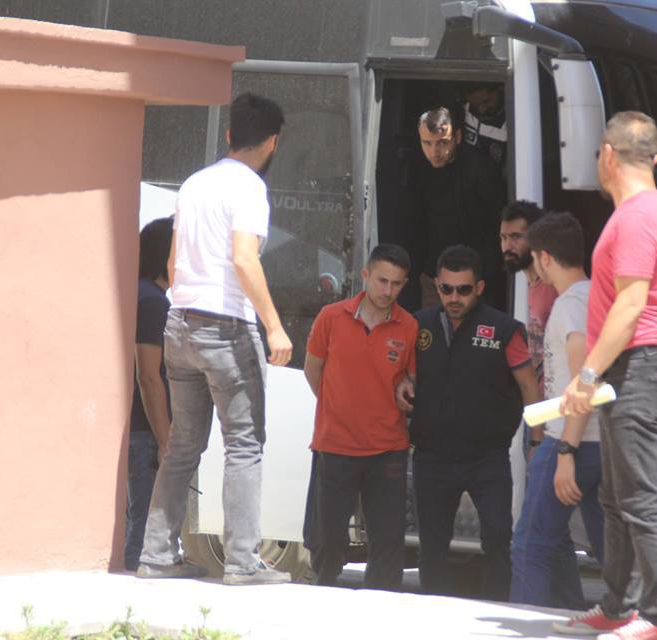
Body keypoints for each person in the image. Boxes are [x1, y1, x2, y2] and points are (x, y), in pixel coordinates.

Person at [137, 93, 293, 586]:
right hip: (227, 327)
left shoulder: (194, 183)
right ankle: (243, 562)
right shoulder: (250, 187)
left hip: (180, 321)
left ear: (229, 135)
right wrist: (274, 325)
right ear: (272, 142)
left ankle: (156, 555)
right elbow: (244, 259)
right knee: (244, 445)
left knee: (183, 445)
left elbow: (172, 261)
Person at [556, 111, 657, 640]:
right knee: (617, 498)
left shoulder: (636, 218)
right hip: (637, 367)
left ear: (608, 155)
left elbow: (631, 304)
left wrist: (586, 374)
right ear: (652, 158)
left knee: (641, 499)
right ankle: (618, 607)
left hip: (639, 366)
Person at [397, 245, 541, 601]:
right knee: (431, 546)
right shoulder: (418, 324)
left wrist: (538, 442)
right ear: (437, 286)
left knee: (498, 539)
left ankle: (499, 609)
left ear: (479, 288)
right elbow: (399, 370)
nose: (454, 298)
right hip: (432, 455)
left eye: (463, 289)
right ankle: (437, 616)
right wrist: (403, 382)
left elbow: (530, 388)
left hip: (487, 457)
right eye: (446, 289)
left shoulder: (504, 330)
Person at [303, 244, 417, 590]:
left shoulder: (409, 326)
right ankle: (323, 596)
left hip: (388, 449)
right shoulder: (331, 317)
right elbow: (312, 371)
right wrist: (338, 406)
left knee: (387, 544)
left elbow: (412, 378)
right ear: (365, 275)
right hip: (335, 445)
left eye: (396, 284)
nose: (388, 291)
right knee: (327, 541)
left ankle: (381, 608)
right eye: (382, 281)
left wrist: (408, 384)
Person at [510, 212, 605, 609]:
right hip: (598, 442)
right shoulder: (596, 296)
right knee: (607, 546)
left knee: (530, 545)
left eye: (534, 258)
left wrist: (565, 450)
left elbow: (585, 381)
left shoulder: (570, 306)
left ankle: (525, 626)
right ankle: (623, 617)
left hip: (570, 439)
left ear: (545, 258)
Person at [405, 108, 507, 311]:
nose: (434, 151)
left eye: (442, 142)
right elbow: (415, 223)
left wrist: (489, 270)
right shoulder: (417, 170)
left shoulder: (480, 169)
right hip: (433, 276)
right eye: (427, 143)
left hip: (477, 278)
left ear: (458, 137)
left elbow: (500, 220)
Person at [125, 216, 174, 571]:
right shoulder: (153, 302)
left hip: (138, 429)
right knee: (139, 544)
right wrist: (166, 440)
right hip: (144, 431)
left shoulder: (140, 294)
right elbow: (149, 377)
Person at [499, 200, 558, 447]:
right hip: (536, 408)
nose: (507, 246)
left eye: (516, 237)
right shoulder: (530, 284)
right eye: (503, 238)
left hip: (556, 412)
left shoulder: (554, 286)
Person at [461, 82, 507, 170]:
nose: (482, 110)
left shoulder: (518, 113)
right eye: (476, 105)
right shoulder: (465, 115)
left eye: (486, 101)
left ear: (500, 89)